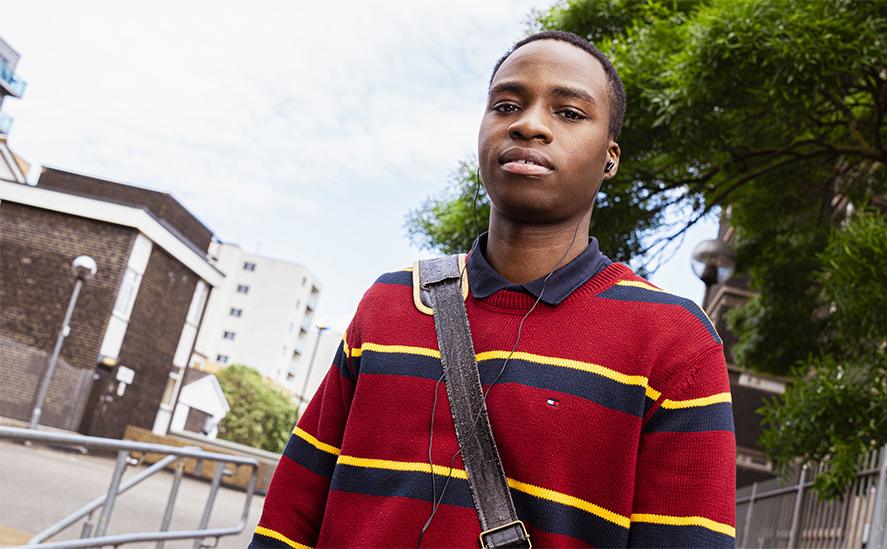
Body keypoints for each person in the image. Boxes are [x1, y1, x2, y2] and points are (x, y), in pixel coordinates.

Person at [250, 30, 735, 548]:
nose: (528, 124)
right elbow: (292, 512)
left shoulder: (675, 341)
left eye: (569, 113)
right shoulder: (389, 304)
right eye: (506, 105)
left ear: (610, 158)